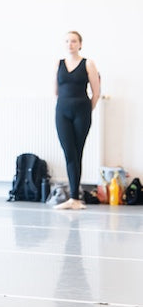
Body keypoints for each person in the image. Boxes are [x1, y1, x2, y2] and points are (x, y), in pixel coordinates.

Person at [54, 31, 100, 210]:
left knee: (77, 152)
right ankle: (73, 198)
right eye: (67, 41)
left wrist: (87, 110)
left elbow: (96, 93)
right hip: (62, 112)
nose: (70, 44)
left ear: (80, 44)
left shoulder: (88, 63)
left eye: (73, 41)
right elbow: (55, 91)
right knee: (69, 152)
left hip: (82, 112)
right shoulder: (58, 63)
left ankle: (75, 198)